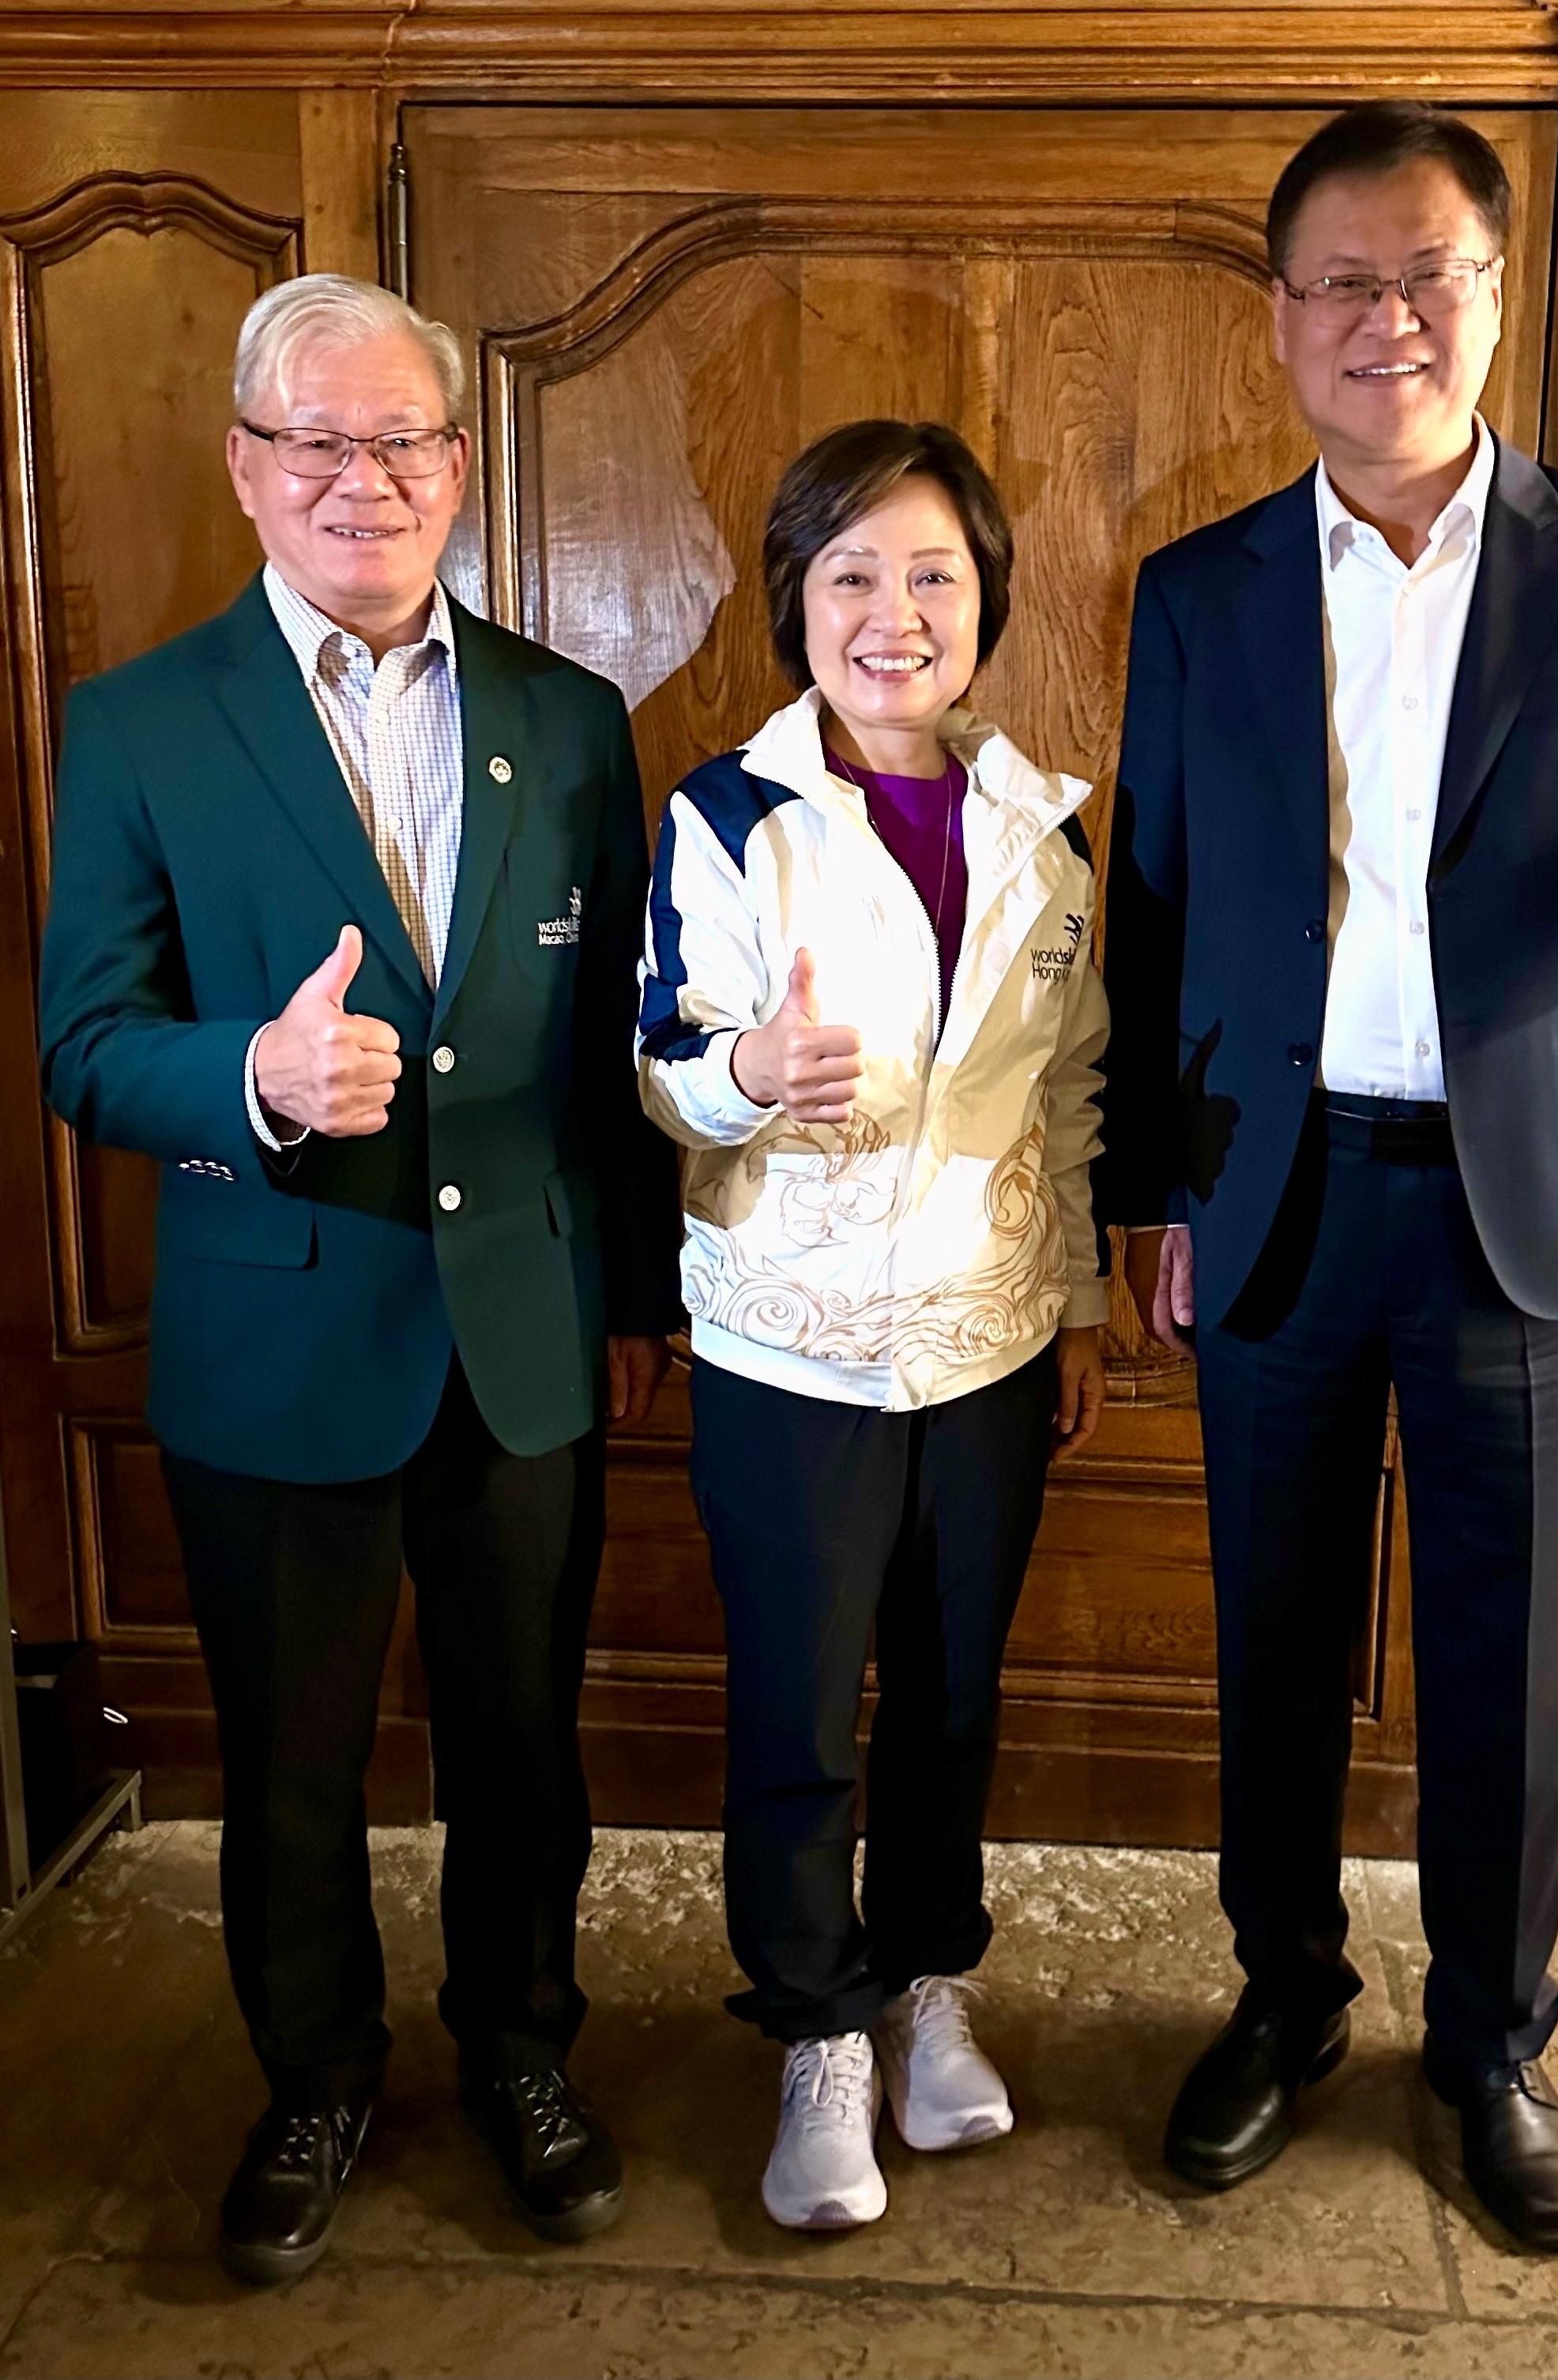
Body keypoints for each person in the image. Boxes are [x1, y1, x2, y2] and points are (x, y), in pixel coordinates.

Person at [1101, 103, 1558, 2253]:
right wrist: (1148, 1188)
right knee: (1272, 1631)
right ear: (1281, 319)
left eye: (1427, 276)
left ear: (1491, 299)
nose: (1383, 317)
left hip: (1523, 1206)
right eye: (1340, 280)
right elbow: (1152, 909)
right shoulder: (1198, 587)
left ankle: (1488, 2041)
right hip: (1275, 1198)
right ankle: (1285, 1997)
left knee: (1502, 1661)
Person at [38, 274, 683, 2283]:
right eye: (314, 440)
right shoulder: (140, 722)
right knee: (295, 1772)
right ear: (245, 469)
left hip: (521, 1348)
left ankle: (520, 2054)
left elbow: (610, 1050)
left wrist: (641, 1301)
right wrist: (244, 1071)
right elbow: (82, 1043)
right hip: (276, 1342)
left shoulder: (574, 723)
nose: (362, 477)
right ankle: (312, 2078)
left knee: (522, 1756)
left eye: (402, 438)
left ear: (460, 471)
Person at [636, 418, 1109, 2231]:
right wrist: (746, 1071)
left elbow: (1068, 1092)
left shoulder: (1047, 829)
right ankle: (812, 2030)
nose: (891, 612)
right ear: (793, 605)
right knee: (796, 1715)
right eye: (850, 573)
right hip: (789, 1347)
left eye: (930, 574)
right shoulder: (726, 814)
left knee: (951, 1700)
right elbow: (662, 1065)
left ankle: (928, 1988)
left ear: (982, 603)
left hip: (985, 1347)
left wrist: (1067, 1301)